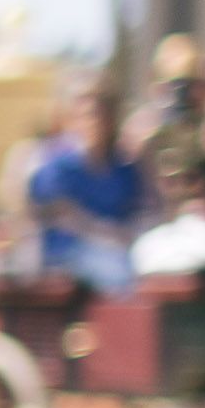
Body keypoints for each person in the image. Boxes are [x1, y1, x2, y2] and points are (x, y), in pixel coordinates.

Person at [26, 83, 146, 294]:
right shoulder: (57, 168)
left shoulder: (123, 168)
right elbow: (60, 215)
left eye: (101, 115)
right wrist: (106, 234)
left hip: (121, 249)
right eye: (86, 115)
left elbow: (140, 209)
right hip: (68, 254)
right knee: (118, 274)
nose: (94, 122)